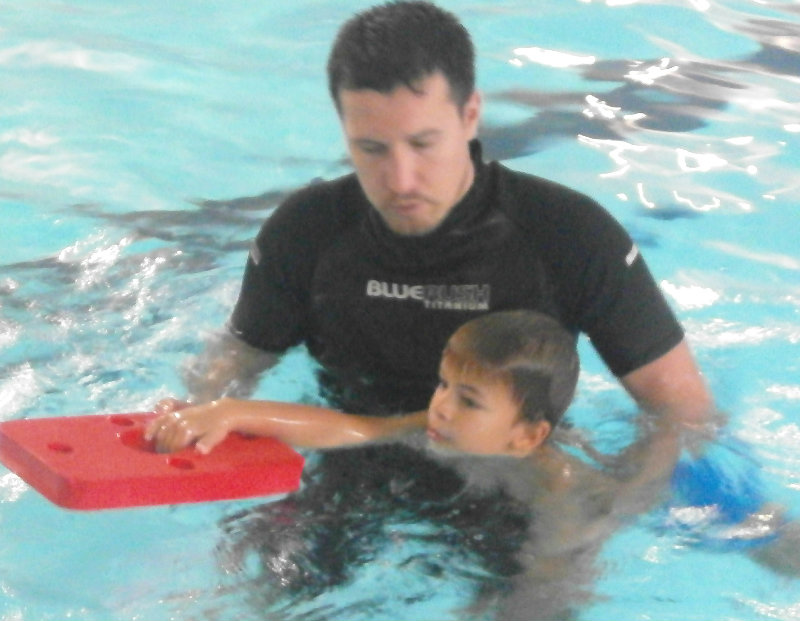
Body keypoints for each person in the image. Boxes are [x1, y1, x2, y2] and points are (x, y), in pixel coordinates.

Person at [179, 1, 713, 491]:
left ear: (470, 115)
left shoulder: (570, 235)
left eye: (423, 143)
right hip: (348, 456)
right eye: (371, 149)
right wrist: (194, 415)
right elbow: (235, 363)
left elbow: (683, 416)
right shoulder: (304, 231)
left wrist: (622, 502)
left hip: (514, 472)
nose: (400, 179)